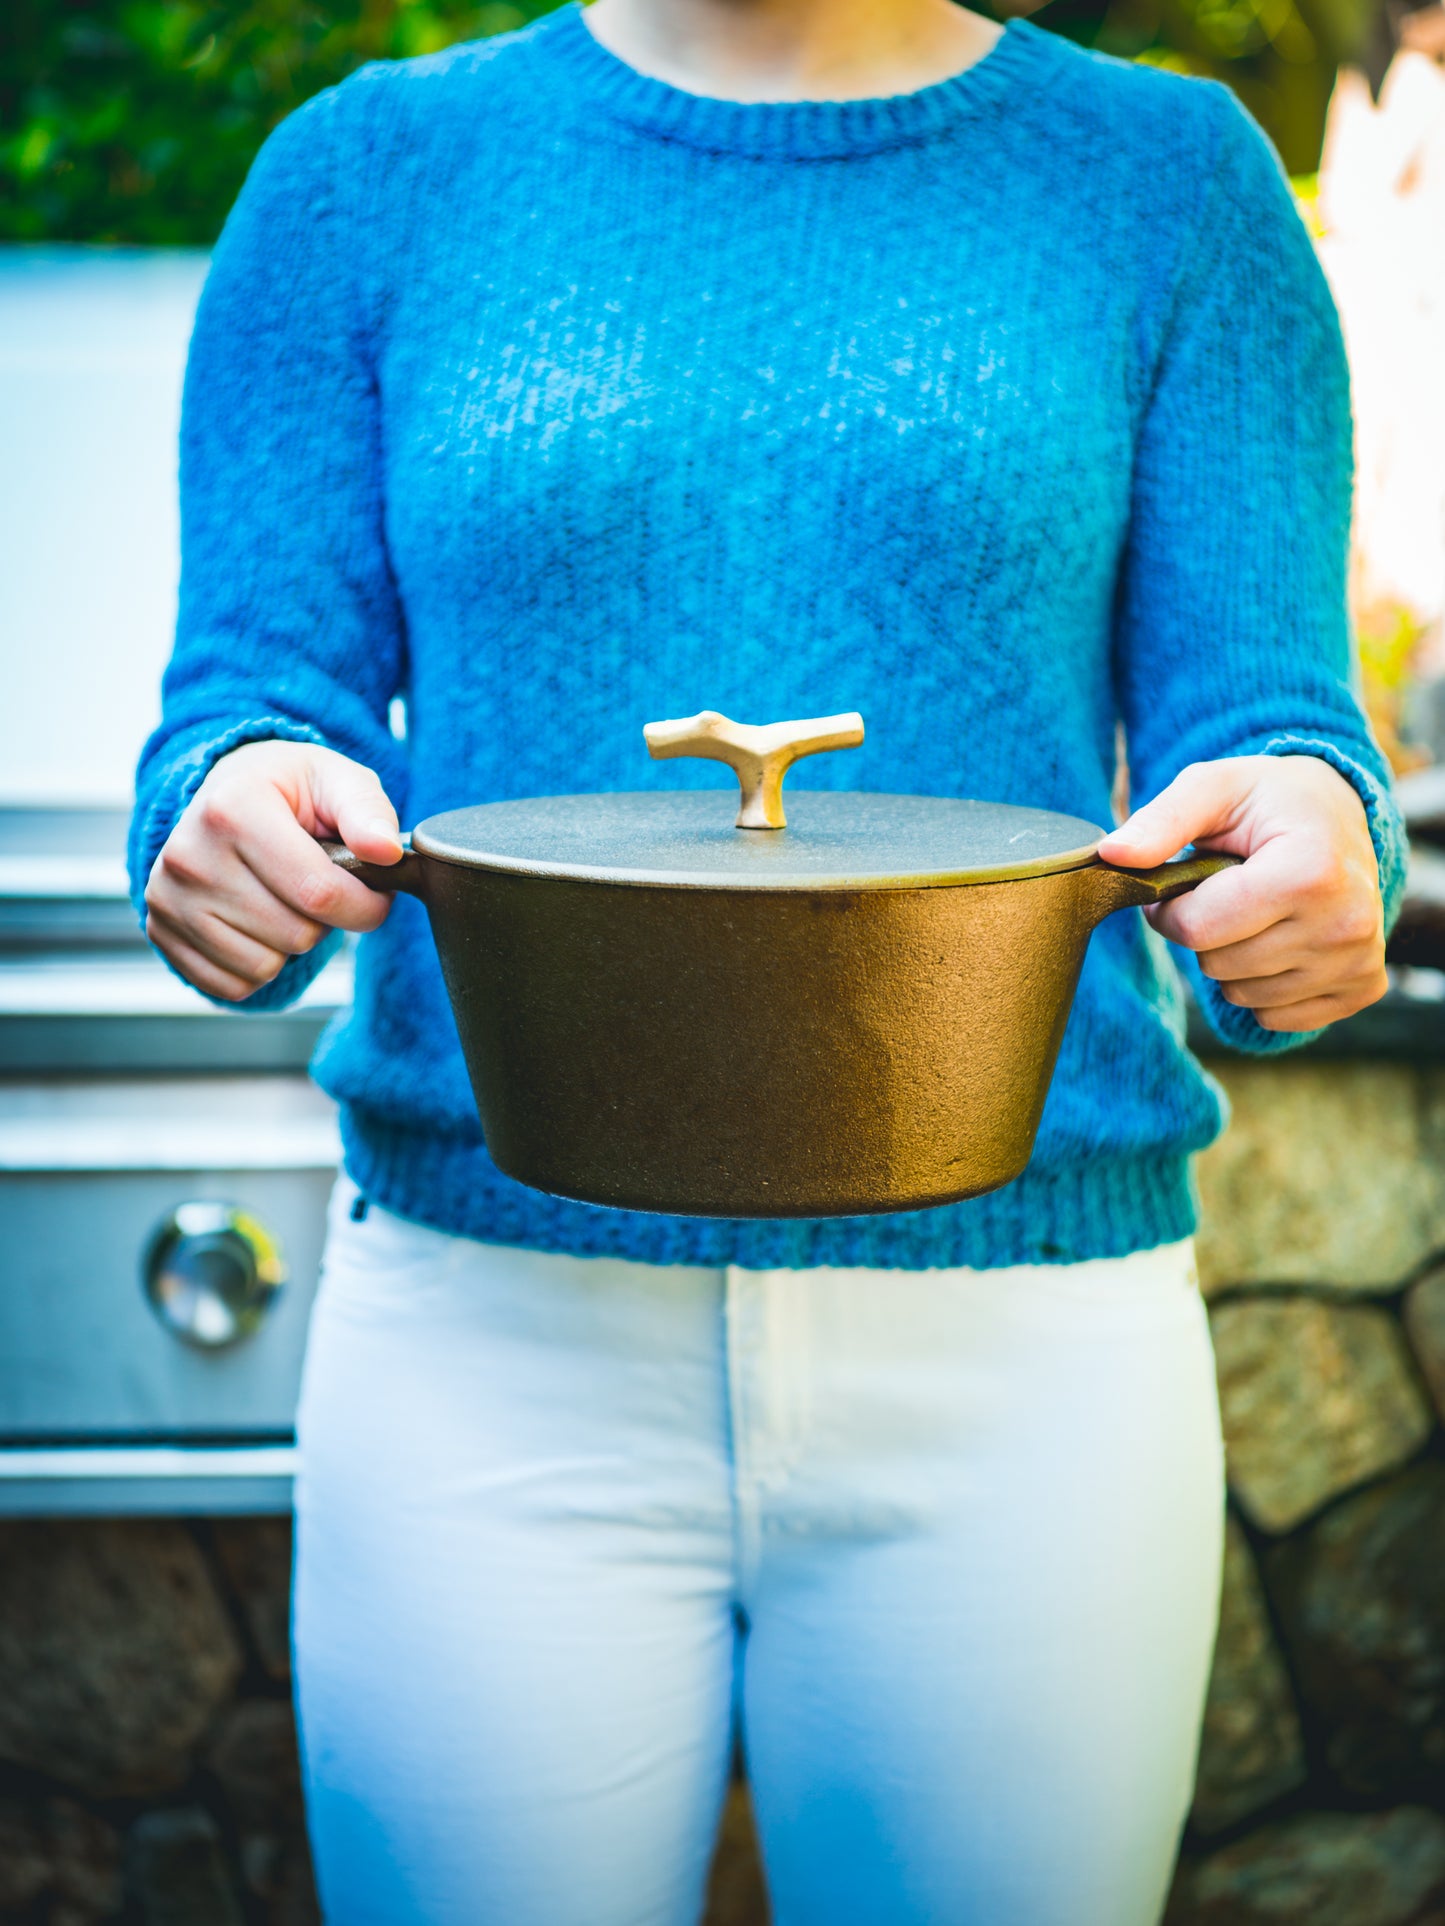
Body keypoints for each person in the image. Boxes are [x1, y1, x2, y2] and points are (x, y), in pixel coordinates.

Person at [129, 0, 1404, 1919]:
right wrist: (230, 793)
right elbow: (251, 689)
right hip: (491, 1337)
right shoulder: (366, 174)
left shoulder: (1171, 186)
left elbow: (1269, 715)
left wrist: (1312, 828)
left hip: (1022, 1339)